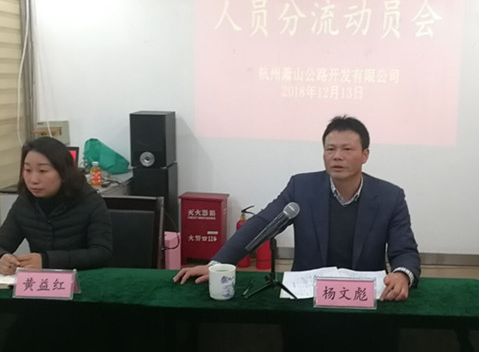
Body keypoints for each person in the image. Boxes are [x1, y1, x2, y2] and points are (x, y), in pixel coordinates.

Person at [174, 115, 421, 300]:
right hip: (308, 294)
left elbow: (405, 249)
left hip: (364, 296)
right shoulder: (301, 188)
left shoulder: (390, 196)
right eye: (330, 149)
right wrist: (217, 265)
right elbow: (262, 224)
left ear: (365, 155)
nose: (337, 156)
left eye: (347, 149)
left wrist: (402, 275)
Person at [0, 136, 113, 273]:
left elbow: (101, 253)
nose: (33, 180)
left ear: (63, 173)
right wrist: (0, 259)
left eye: (43, 171)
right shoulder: (25, 202)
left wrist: (47, 260)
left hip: (83, 278)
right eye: (28, 170)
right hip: (41, 281)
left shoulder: (90, 201)